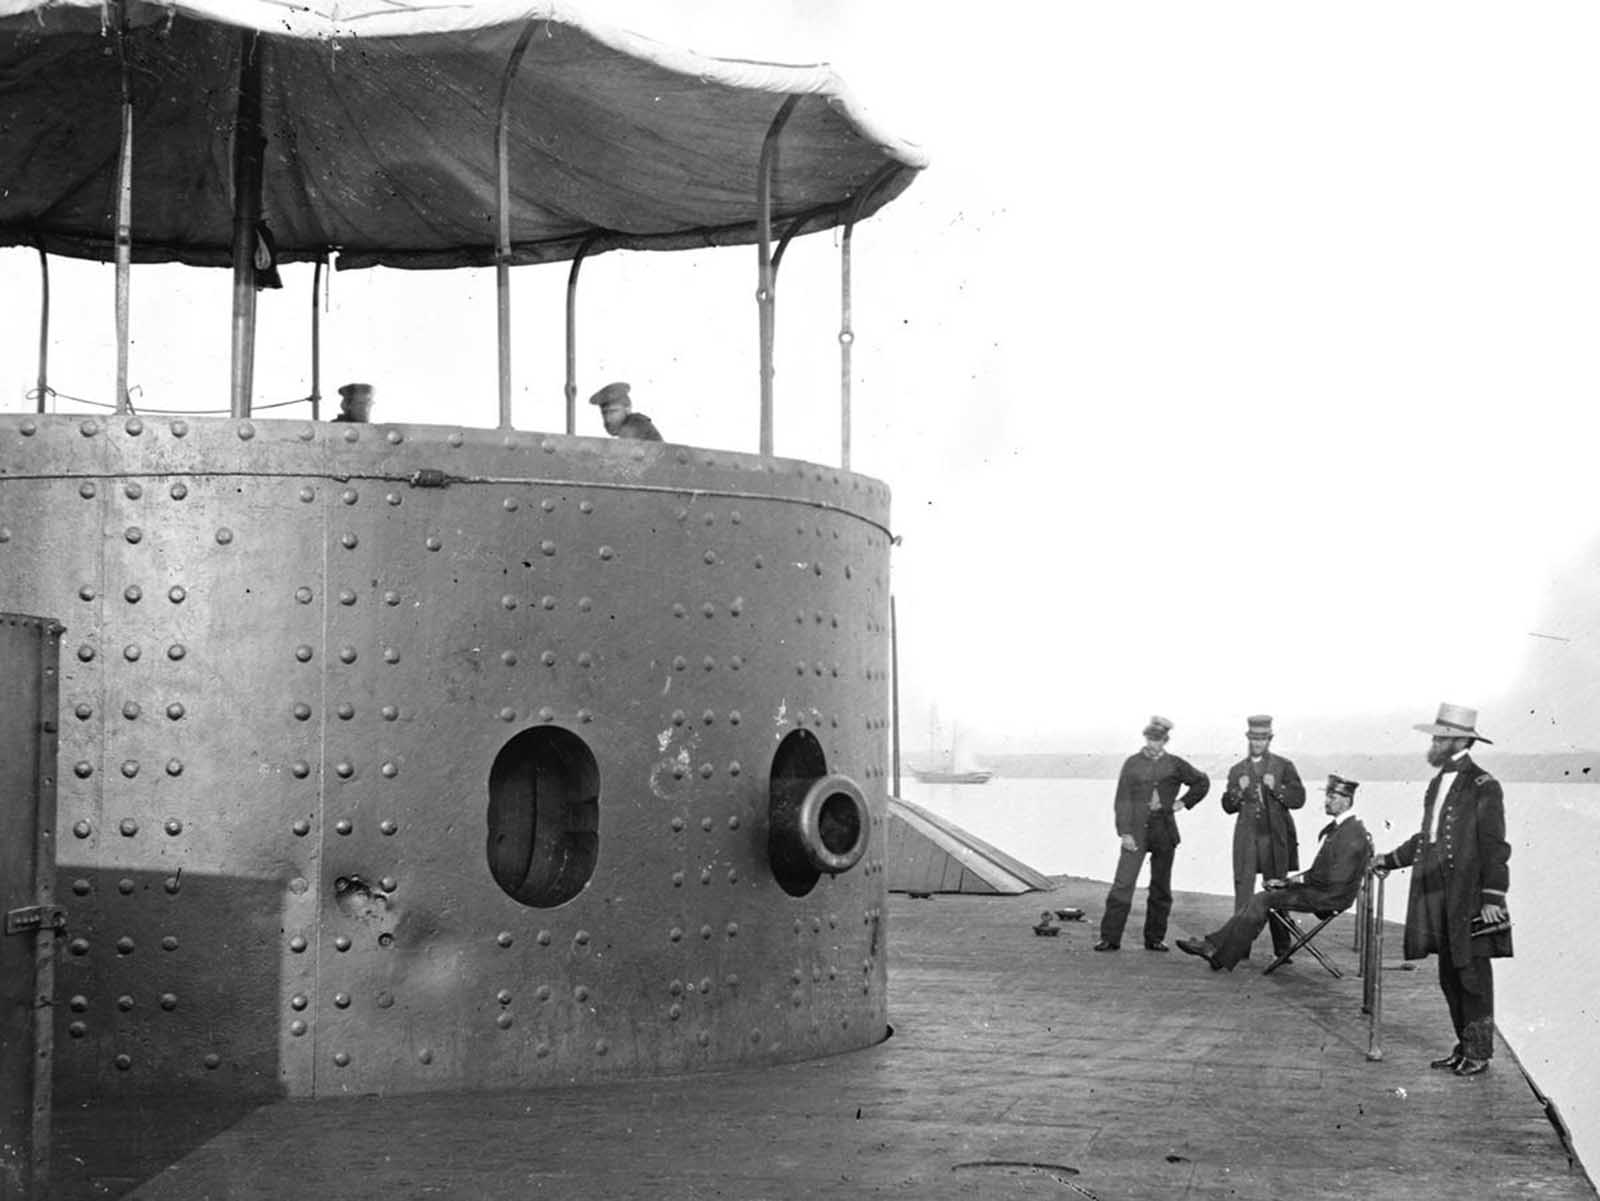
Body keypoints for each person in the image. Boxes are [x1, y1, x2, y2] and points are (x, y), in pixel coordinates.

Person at [1373, 703, 1511, 1077]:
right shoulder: (1438, 783)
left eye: (1440, 737)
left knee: (1472, 975)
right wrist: (1388, 858)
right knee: (1449, 975)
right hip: (1437, 896)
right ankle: (1463, 1046)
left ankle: (1479, 1053)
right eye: (1435, 737)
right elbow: (1428, 839)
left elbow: (1494, 846)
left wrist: (1493, 898)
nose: (1434, 743)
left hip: (1470, 897)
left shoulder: (1485, 785)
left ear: (1462, 740)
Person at [1177, 774, 1371, 971]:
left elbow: (1335, 878)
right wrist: (1286, 882)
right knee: (1265, 896)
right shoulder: (1345, 828)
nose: (1326, 802)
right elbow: (1322, 872)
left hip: (1329, 897)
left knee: (1263, 899)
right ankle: (1218, 952)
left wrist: (1291, 883)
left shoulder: (1351, 833)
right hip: (1324, 891)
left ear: (1346, 801)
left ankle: (1215, 949)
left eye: (1333, 798)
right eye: (1327, 796)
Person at [1094, 715, 1210, 952]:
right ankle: (1110, 938)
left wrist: (1183, 803)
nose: (1153, 743)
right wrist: (1124, 832)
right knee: (1123, 884)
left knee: (1161, 887)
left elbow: (1202, 782)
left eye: (1158, 740)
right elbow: (1122, 800)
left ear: (1165, 740)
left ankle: (1155, 939)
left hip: (1164, 832)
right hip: (1135, 831)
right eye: (1150, 738)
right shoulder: (1132, 763)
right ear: (1145, 737)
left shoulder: (1176, 764)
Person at [1219, 714, 1306, 960]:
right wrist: (1238, 791)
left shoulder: (1283, 766)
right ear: (1248, 738)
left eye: (1262, 738)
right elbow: (1227, 805)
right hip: (1247, 839)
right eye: (1254, 738)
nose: (1258, 743)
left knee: (1276, 891)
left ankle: (1282, 948)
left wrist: (1277, 789)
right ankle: (1239, 947)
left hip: (1273, 839)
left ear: (1270, 739)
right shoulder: (1237, 770)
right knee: (1244, 892)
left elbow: (1299, 799)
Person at [589, 381, 662, 441]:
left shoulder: (636, 424)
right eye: (604, 413)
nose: (608, 419)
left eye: (613, 412)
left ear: (628, 409)